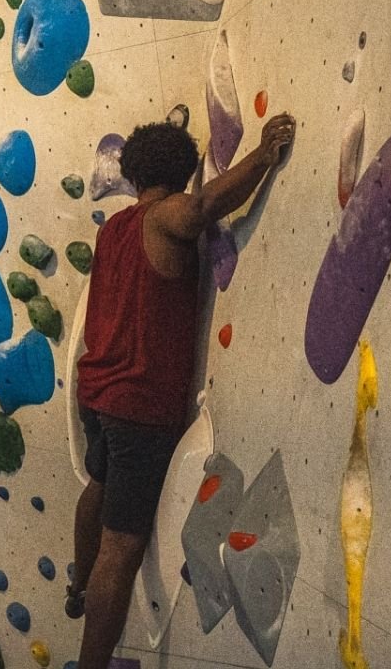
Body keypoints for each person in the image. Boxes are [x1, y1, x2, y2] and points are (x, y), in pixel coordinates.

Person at [67, 112, 295, 669]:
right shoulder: (166, 217)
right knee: (122, 550)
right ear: (184, 169)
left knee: (96, 486)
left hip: (99, 394)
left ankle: (75, 590)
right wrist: (264, 155)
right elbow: (202, 208)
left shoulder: (113, 228)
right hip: (141, 409)